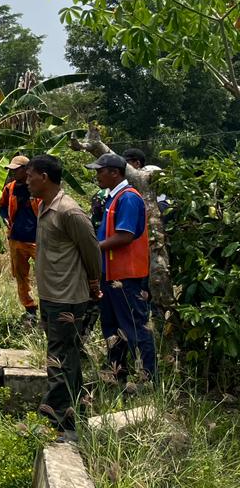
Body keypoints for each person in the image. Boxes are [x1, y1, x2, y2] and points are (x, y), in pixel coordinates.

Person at [24, 154, 102, 442]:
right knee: (68, 356)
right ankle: (74, 416)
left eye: (30, 175)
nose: (26, 180)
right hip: (52, 294)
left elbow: (92, 250)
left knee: (58, 358)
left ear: (44, 176)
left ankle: (54, 421)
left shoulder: (69, 212)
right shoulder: (45, 206)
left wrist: (94, 283)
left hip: (67, 296)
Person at [88, 153, 157, 389]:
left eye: (100, 170)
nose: (97, 175)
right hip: (111, 274)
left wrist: (93, 247)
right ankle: (117, 375)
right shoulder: (112, 197)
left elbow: (125, 235)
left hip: (126, 275)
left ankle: (148, 379)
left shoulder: (128, 198)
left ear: (115, 173)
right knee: (113, 328)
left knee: (135, 328)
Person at [0, 155, 41, 321]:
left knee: (46, 274)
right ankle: (29, 308)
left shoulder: (37, 188)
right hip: (16, 238)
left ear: (26, 170)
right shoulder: (10, 188)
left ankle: (48, 306)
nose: (12, 173)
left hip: (37, 239)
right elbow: (1, 206)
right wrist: (6, 219)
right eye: (11, 170)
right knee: (21, 275)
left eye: (16, 170)